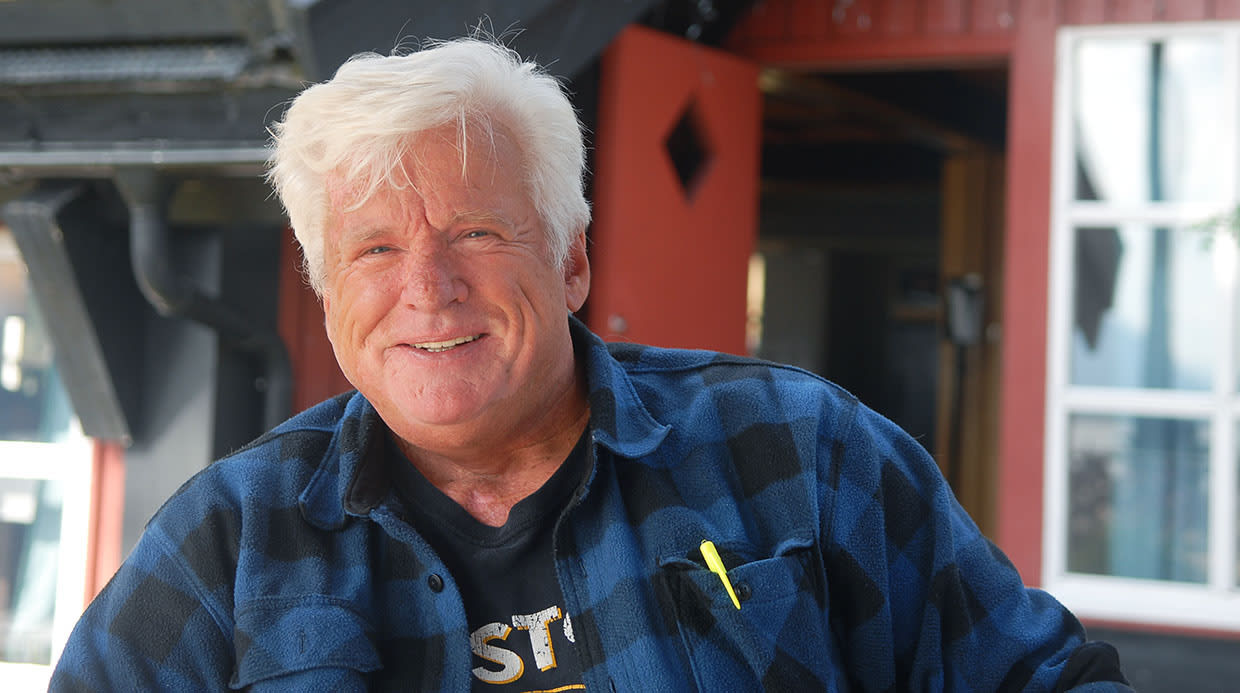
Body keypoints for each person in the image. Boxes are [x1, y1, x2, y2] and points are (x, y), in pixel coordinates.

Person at [51, 36, 1132, 692]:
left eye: (476, 232)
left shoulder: (800, 450)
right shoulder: (228, 538)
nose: (428, 288)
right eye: (374, 250)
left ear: (570, 259)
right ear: (330, 294)